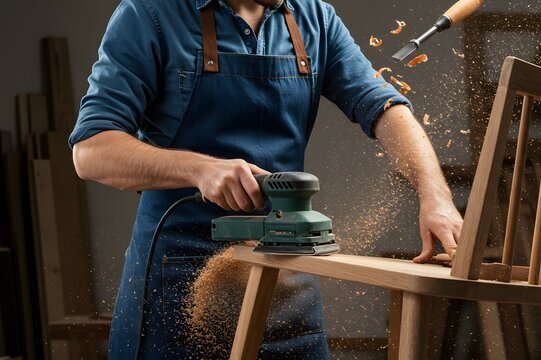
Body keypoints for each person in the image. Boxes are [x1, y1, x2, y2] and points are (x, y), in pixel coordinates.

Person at [70, 0, 463, 357]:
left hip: (285, 281)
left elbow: (383, 106)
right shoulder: (150, 14)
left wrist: (435, 195)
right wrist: (200, 169)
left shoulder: (315, 19)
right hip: (179, 282)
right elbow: (91, 152)